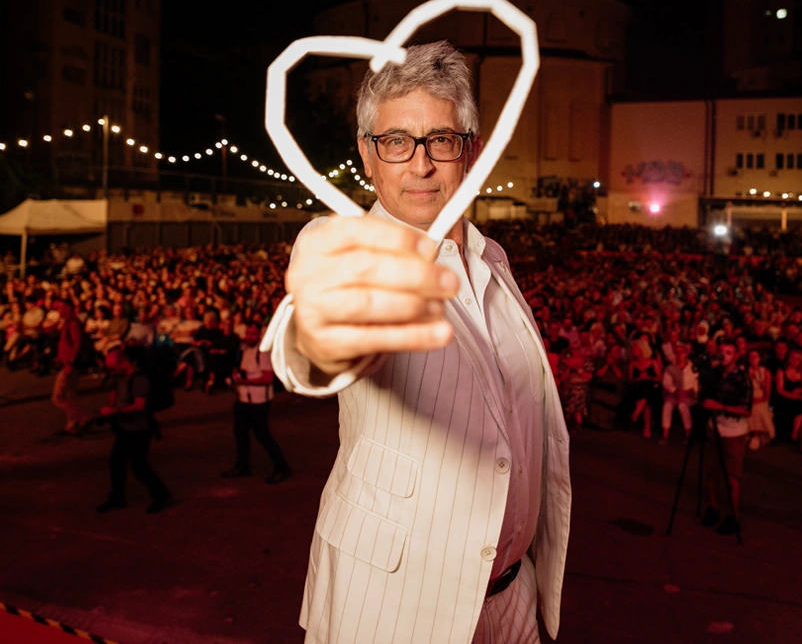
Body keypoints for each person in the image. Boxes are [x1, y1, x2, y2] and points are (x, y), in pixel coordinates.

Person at [263, 41, 571, 643]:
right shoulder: (345, 245)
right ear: (367, 155)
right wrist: (322, 341)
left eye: (441, 140)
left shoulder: (493, 261)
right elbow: (305, 343)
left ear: (471, 152)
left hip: (512, 599)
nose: (420, 164)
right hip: (392, 611)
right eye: (396, 142)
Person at [97, 346, 172, 514]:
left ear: (122, 362)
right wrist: (110, 409)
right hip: (125, 427)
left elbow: (139, 406)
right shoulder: (120, 377)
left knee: (139, 466)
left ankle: (162, 496)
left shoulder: (140, 379)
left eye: (113, 367)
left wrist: (115, 411)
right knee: (116, 463)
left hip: (140, 428)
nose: (111, 371)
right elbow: (114, 394)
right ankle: (117, 497)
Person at [220, 325, 291, 484]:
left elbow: (267, 378)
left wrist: (243, 380)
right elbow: (249, 371)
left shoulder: (263, 352)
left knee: (262, 435)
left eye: (253, 333)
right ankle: (242, 466)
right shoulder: (246, 350)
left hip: (259, 401)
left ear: (259, 334)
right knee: (241, 433)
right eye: (248, 333)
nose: (249, 336)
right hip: (244, 399)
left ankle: (282, 467)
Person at [700, 341, 752, 536]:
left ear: (736, 355)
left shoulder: (742, 378)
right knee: (710, 471)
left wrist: (720, 407)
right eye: (721, 352)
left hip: (734, 432)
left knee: (731, 477)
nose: (724, 356)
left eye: (728, 353)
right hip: (714, 428)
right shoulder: (715, 373)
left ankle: (733, 516)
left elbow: (746, 410)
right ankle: (713, 508)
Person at [53, 301, 90, 435]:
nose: (59, 310)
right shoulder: (68, 322)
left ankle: (82, 417)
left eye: (61, 308)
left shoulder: (72, 323)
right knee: (70, 395)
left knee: (58, 396)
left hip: (70, 364)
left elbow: (77, 343)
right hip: (68, 363)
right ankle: (71, 425)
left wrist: (70, 361)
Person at [660, 344, 699, 445]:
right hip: (674, 394)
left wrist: (688, 391)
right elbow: (667, 383)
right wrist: (676, 391)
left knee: (683, 406)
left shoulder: (692, 367)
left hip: (688, 394)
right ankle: (665, 435)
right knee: (667, 406)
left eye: (681, 352)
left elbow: (696, 383)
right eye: (676, 352)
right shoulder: (670, 368)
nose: (678, 354)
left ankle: (688, 434)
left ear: (686, 354)